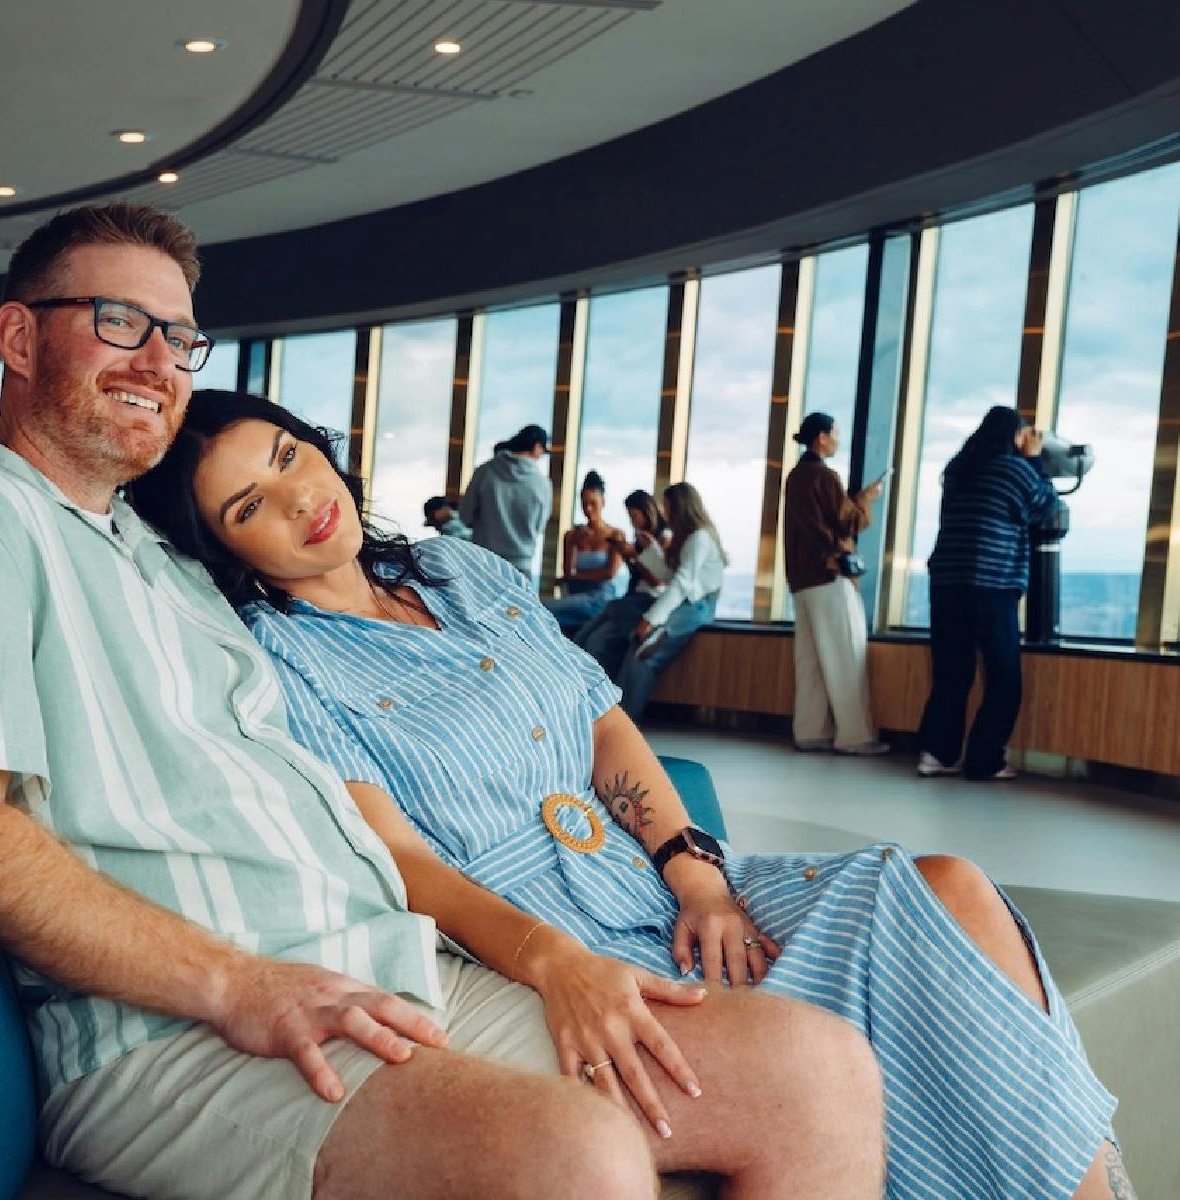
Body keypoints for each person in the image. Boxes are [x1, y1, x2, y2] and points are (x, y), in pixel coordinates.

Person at [0, 202, 669, 1200]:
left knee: (797, 1064)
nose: (157, 361)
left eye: (179, 337)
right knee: (575, 1153)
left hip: (372, 963)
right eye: (117, 321)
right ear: (19, 336)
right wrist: (232, 983)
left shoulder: (158, 561)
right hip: (173, 1029)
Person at [128, 389, 1127, 1200]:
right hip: (544, 925)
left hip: (654, 874)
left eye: (288, 457)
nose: (299, 499)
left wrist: (695, 875)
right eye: (247, 505)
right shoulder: (280, 662)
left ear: (320, 447)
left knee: (947, 883)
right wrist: (554, 963)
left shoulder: (457, 570)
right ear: (228, 553)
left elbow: (604, 726)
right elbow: (404, 860)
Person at [917, 405, 1066, 781]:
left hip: (947, 581)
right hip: (991, 582)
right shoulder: (1014, 469)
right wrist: (1034, 461)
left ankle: (937, 754)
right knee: (1003, 679)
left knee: (952, 673)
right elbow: (1047, 508)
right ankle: (984, 759)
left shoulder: (958, 469)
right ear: (1014, 436)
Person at [783, 413, 888, 756]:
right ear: (822, 438)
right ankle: (855, 736)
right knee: (846, 657)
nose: (838, 439)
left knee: (810, 661)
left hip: (802, 580)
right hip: (829, 576)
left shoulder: (795, 477)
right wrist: (867, 498)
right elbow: (849, 522)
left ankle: (810, 730)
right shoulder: (824, 476)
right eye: (835, 433)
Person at [618, 482, 725, 723]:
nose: (664, 513)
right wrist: (652, 552)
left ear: (681, 508)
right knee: (636, 645)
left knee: (645, 651)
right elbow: (671, 578)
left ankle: (626, 722)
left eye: (667, 507)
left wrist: (649, 619)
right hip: (688, 603)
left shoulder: (699, 539)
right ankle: (620, 719)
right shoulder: (690, 538)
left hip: (698, 607)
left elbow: (681, 585)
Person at [575, 489, 670, 675]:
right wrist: (627, 556)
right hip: (632, 598)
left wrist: (635, 557)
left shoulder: (663, 537)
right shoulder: (640, 538)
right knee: (582, 637)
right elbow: (638, 574)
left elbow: (657, 581)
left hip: (646, 601)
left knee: (596, 642)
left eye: (635, 516)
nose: (633, 521)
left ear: (647, 512)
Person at [460, 424, 551, 579]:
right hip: (521, 568)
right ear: (536, 447)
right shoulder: (542, 483)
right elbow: (539, 527)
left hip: (484, 564)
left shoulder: (484, 471)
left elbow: (465, 516)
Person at [544, 470, 626, 635]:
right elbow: (568, 572)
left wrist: (575, 576)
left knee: (545, 610)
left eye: (593, 503)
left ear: (603, 502)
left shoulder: (615, 535)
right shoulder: (571, 535)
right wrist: (574, 545)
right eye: (584, 504)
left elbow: (609, 573)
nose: (588, 509)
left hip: (600, 597)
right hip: (576, 597)